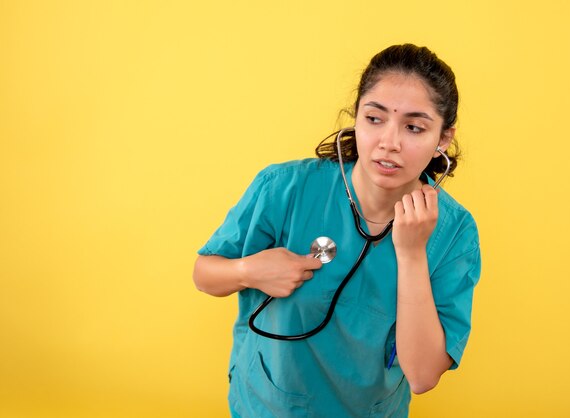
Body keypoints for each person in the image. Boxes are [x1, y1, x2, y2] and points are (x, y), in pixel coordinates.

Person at [193, 44, 481, 418]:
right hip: (267, 405)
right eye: (375, 119)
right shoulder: (285, 188)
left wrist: (411, 254)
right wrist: (250, 271)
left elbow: (424, 376)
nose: (388, 142)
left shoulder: (454, 233)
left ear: (443, 139)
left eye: (413, 127)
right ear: (356, 118)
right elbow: (204, 275)